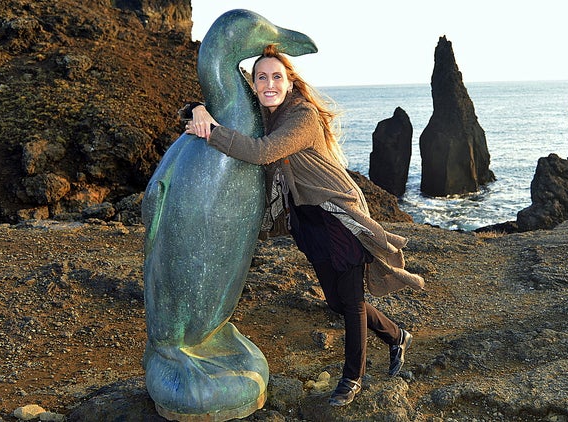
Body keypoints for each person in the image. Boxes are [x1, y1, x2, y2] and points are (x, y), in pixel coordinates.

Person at [180, 44, 424, 407]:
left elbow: (262, 152)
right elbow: (210, 105)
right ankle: (397, 335)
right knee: (337, 303)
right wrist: (197, 109)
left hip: (339, 215)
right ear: (254, 83)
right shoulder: (264, 114)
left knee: (352, 301)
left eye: (277, 76)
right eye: (261, 77)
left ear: (290, 82)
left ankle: (351, 379)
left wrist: (212, 132)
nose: (269, 83)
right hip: (307, 221)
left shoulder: (302, 115)